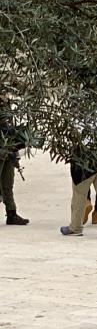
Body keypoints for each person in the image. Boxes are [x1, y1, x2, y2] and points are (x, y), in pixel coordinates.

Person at [60, 76, 97, 239]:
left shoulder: (81, 101)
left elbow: (76, 126)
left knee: (80, 191)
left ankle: (75, 227)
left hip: (86, 153)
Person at [1, 87, 30, 226]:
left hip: (8, 151)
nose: (5, 96)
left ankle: (11, 213)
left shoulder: (7, 108)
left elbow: (10, 128)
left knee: (8, 183)